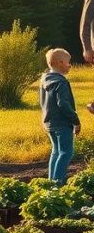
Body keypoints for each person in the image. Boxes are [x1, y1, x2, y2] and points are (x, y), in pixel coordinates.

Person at [39, 48, 80, 185]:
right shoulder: (61, 83)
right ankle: (58, 185)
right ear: (61, 63)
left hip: (49, 122)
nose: (70, 65)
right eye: (69, 62)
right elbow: (63, 104)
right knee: (66, 153)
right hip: (62, 123)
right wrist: (75, 121)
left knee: (56, 152)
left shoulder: (45, 79)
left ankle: (51, 184)